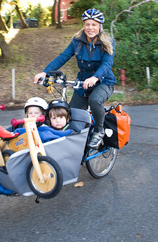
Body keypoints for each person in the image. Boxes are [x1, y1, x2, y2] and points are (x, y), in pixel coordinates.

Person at [34, 8, 116, 149]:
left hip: (104, 82)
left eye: (94, 24)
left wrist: (95, 78)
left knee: (95, 100)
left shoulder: (108, 42)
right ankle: (76, 144)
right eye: (87, 24)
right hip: (83, 82)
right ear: (83, 25)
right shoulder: (77, 41)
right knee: (72, 113)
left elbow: (107, 64)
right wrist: (45, 72)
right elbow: (63, 57)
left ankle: (99, 130)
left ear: (100, 27)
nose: (90, 27)